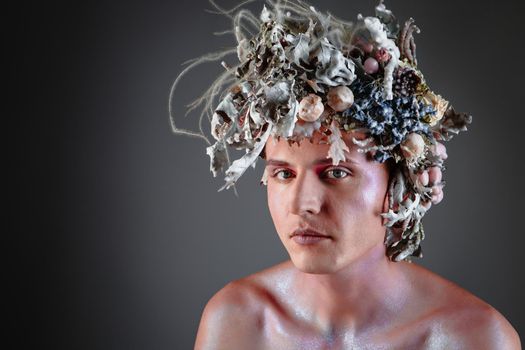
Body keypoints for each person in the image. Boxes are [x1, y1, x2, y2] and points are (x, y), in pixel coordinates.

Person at [168, 1, 521, 348]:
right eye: (283, 174)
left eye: (336, 171)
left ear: (401, 185)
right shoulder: (238, 323)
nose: (302, 204)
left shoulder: (472, 338)